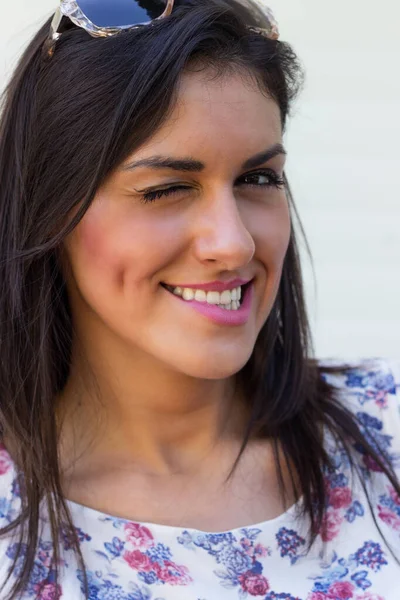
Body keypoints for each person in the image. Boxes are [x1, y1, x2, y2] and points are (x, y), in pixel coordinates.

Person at [0, 0, 399, 598]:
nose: (233, 244)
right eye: (166, 189)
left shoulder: (386, 426)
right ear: (50, 212)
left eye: (257, 179)